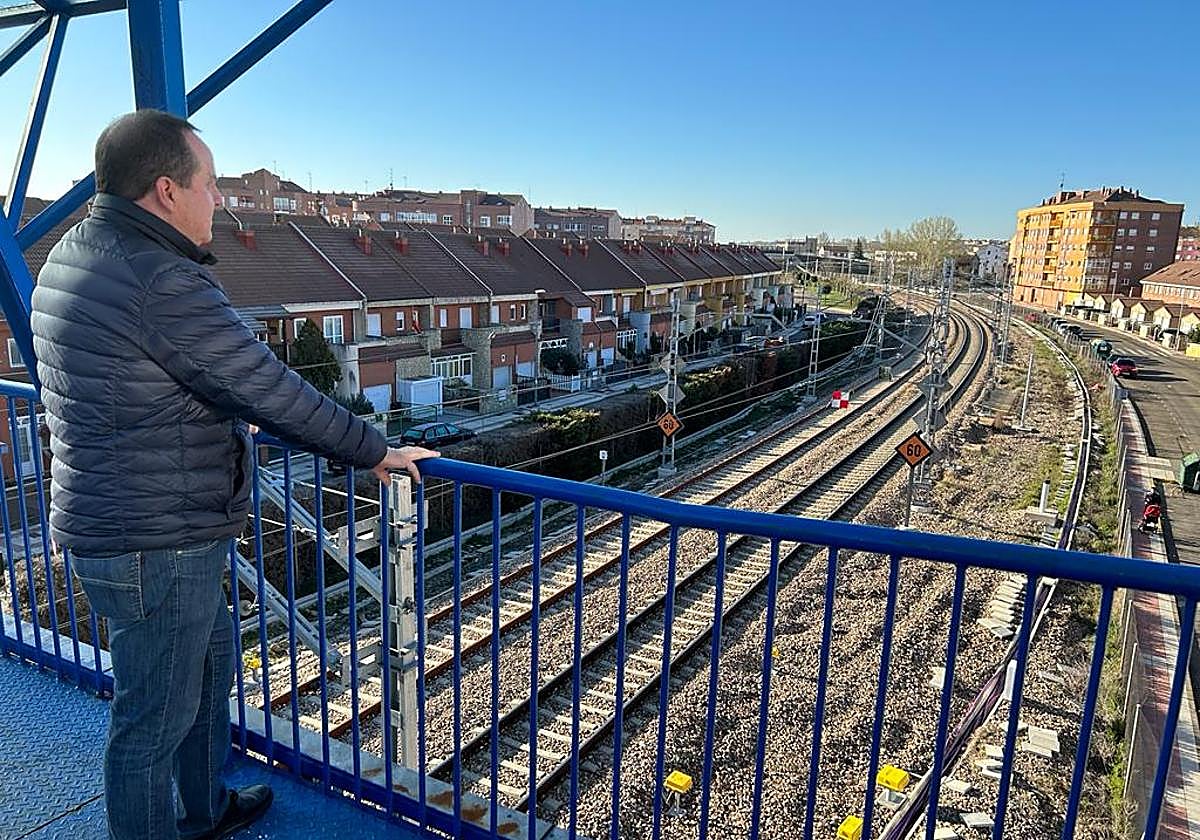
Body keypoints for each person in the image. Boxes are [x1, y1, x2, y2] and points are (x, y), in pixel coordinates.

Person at [30, 109, 438, 840]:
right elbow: (268, 386)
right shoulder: (158, 277)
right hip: (156, 540)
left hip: (128, 524)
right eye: (210, 185)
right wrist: (373, 450)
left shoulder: (74, 253)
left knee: (209, 671)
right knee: (151, 724)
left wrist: (196, 405)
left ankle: (204, 809)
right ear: (165, 190)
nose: (218, 200)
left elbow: (126, 382)